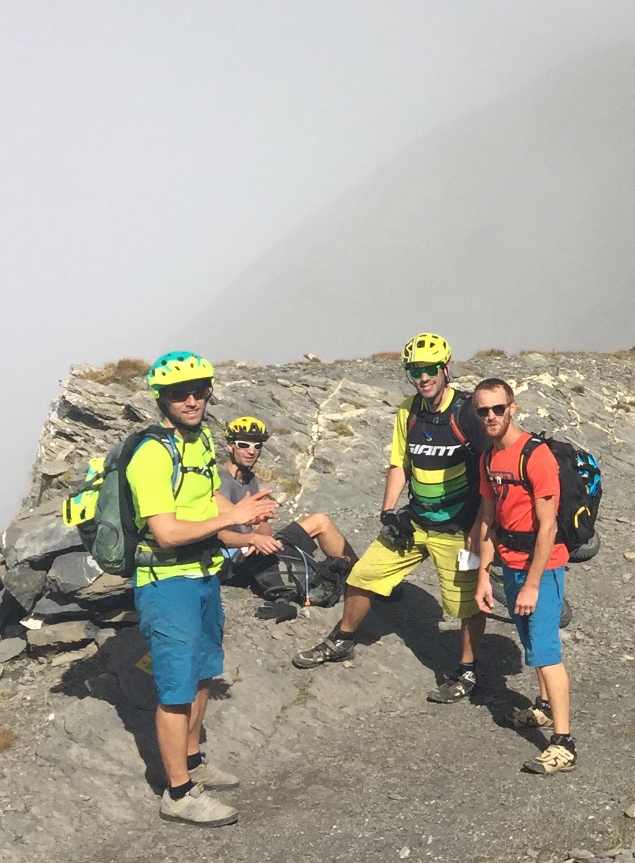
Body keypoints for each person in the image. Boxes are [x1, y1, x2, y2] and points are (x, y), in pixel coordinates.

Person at [292, 334, 490, 705]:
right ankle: (343, 639)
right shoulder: (408, 411)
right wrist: (388, 511)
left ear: (446, 369)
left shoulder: (466, 412)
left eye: (430, 369)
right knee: (362, 575)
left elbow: (488, 473)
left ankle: (467, 669)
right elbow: (400, 464)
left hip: (458, 530)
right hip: (414, 522)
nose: (423, 377)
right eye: (415, 370)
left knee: (466, 604)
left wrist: (479, 530)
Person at [130, 352, 278, 827]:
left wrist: (243, 519)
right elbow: (167, 532)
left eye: (199, 391)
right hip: (166, 581)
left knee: (202, 673)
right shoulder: (152, 454)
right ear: (162, 399)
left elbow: (208, 498)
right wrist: (233, 518)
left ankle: (193, 761)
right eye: (179, 394)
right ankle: (177, 793)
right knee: (176, 688)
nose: (192, 401)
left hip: (203, 573)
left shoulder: (199, 441)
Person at [470, 378, 577, 775]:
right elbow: (487, 518)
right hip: (511, 562)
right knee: (531, 642)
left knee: (546, 652)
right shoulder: (488, 458)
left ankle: (564, 744)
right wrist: (483, 575)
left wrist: (533, 584)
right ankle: (544, 707)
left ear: (512, 408)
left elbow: (548, 526)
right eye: (483, 411)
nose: (491, 416)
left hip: (541, 568)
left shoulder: (536, 456)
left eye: (498, 409)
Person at [220, 415, 358, 572]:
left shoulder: (250, 479)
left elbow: (263, 528)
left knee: (319, 522)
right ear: (230, 446)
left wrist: (263, 532)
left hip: (253, 551)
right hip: (232, 560)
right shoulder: (220, 481)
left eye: (257, 446)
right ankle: (360, 579)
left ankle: (358, 576)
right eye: (243, 445)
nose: (251, 451)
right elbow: (215, 535)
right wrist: (252, 539)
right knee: (319, 522)